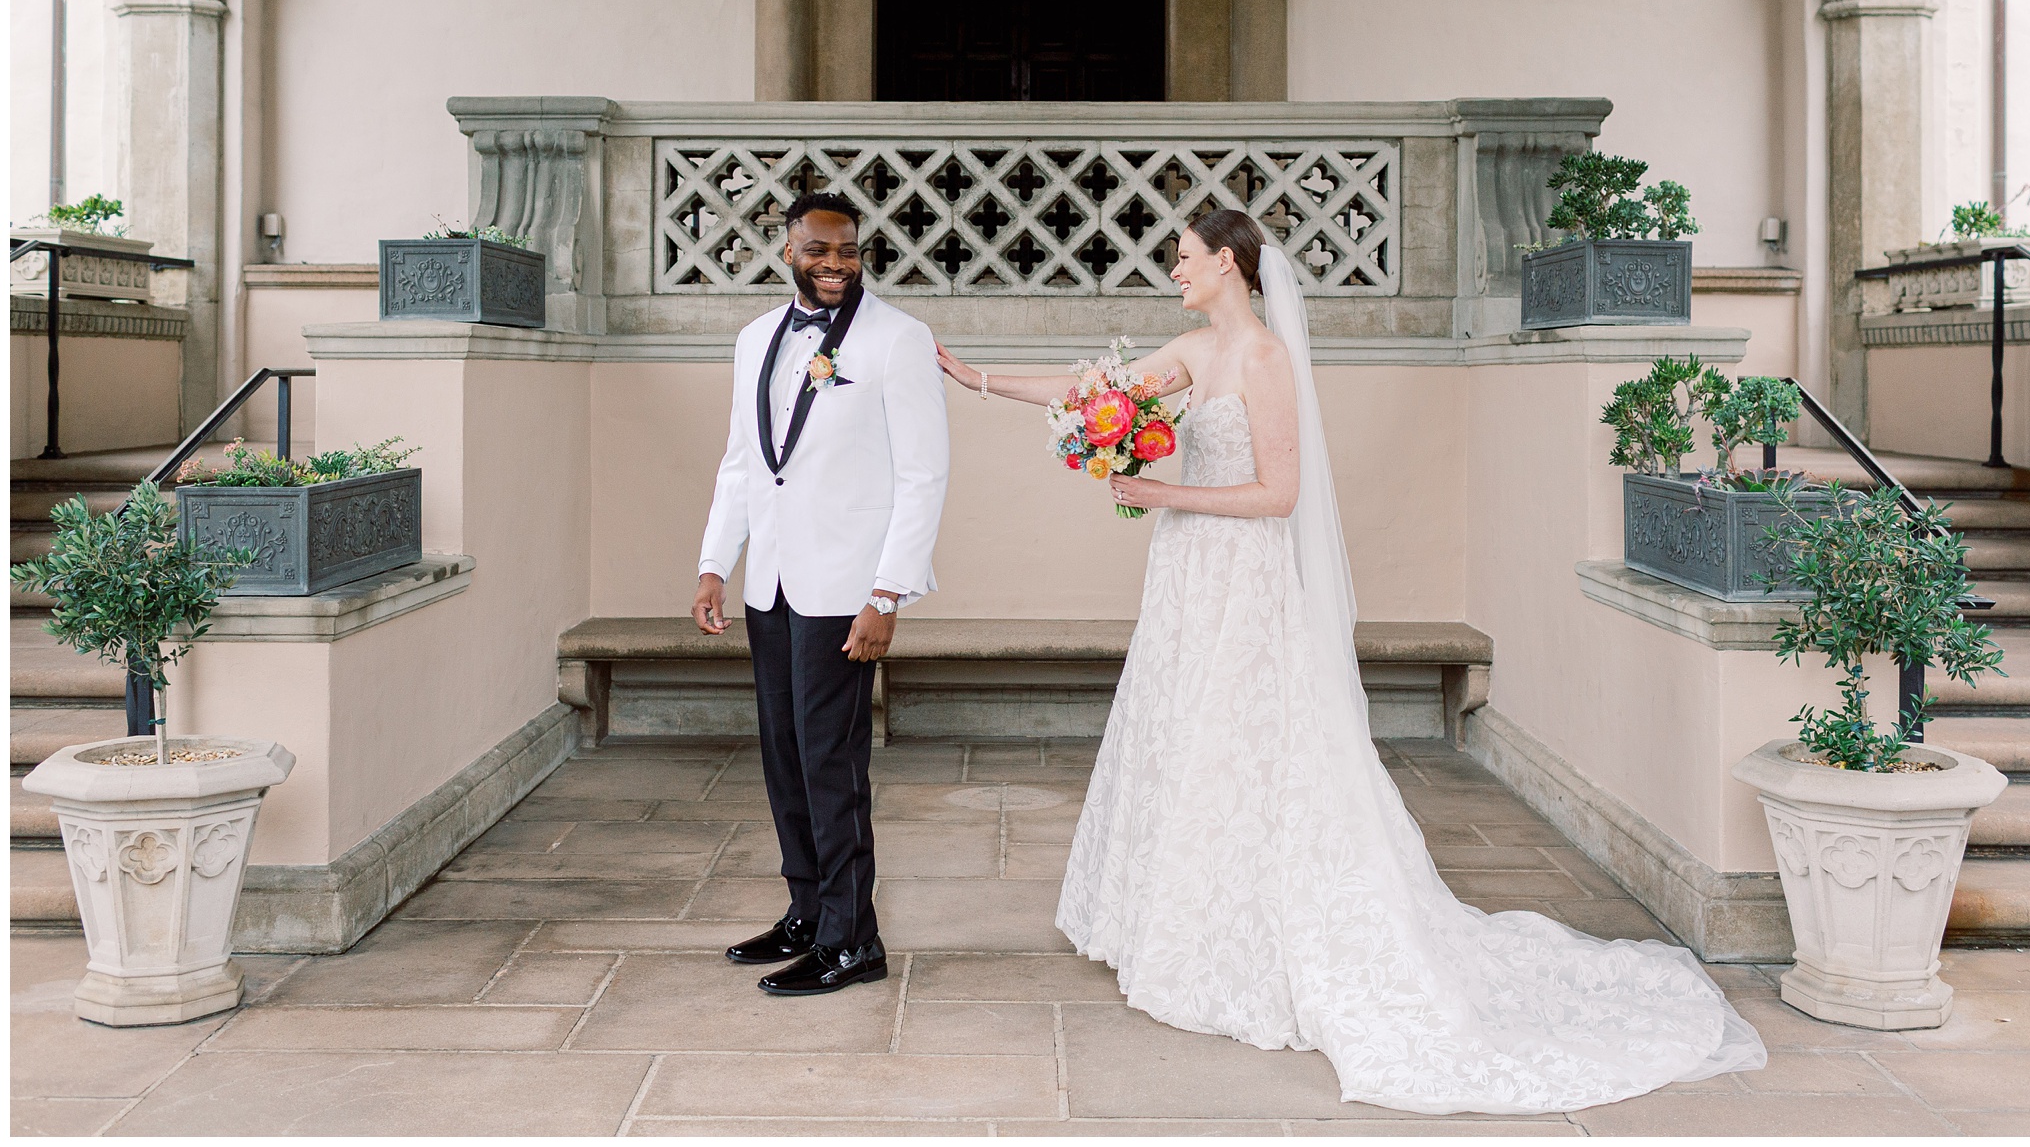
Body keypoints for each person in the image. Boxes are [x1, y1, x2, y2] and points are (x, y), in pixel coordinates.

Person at [935, 207, 1766, 1113]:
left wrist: (1165, 492)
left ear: (1229, 263)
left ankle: (1259, 933)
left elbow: (1278, 494)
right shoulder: (1193, 350)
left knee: (1247, 748)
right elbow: (1089, 391)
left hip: (1241, 578)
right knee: (1183, 736)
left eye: (1185, 257)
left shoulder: (1265, 361)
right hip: (1185, 577)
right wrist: (977, 378)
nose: (1174, 270)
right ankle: (1181, 920)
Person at [694, 192, 949, 997]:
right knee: (784, 755)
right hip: (771, 582)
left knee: (831, 763)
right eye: (818, 249)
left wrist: (888, 593)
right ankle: (807, 912)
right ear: (789, 252)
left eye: (848, 249)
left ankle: (852, 938)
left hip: (847, 588)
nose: (835, 263)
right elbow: (744, 461)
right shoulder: (754, 339)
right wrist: (716, 562)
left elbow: (923, 475)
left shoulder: (898, 339)